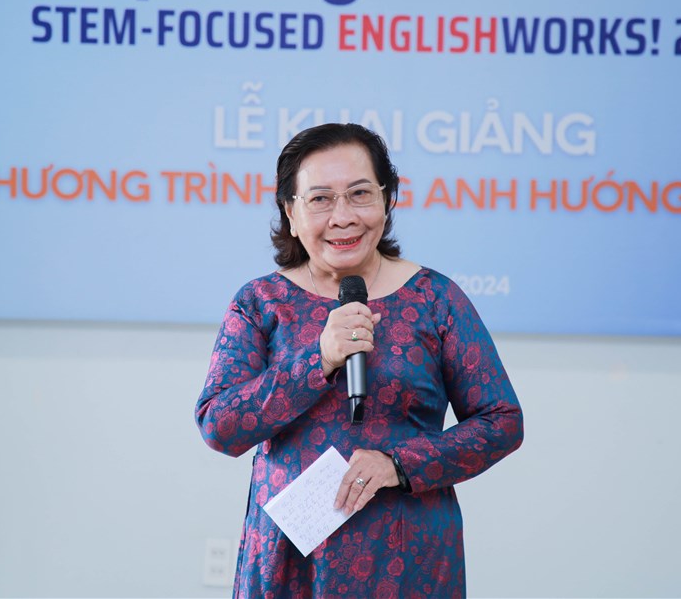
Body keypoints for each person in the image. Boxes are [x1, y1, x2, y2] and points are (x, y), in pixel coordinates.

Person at [195, 123, 523, 598]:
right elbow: (220, 426)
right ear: (290, 212)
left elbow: (502, 421)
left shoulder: (435, 298)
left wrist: (400, 463)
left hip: (408, 558)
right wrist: (318, 359)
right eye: (321, 199)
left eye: (360, 194)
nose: (343, 217)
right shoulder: (261, 302)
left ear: (388, 201)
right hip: (291, 562)